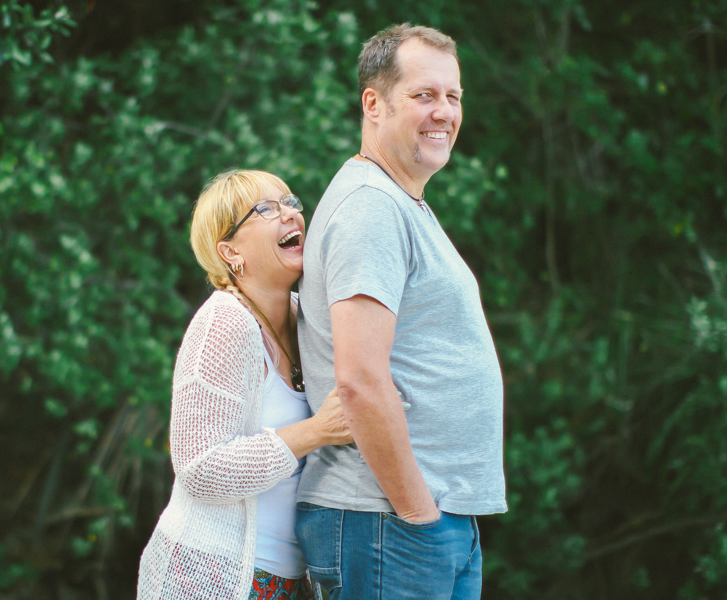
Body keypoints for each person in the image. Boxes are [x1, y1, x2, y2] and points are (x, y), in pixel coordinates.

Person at [295, 24, 507, 600]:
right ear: (374, 103)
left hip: (423, 523)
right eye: (425, 95)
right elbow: (360, 377)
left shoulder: (402, 204)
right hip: (388, 521)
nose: (444, 112)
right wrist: (418, 510)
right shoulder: (371, 209)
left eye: (453, 96)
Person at [137, 169, 352, 600]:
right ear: (230, 251)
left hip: (291, 581)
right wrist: (314, 431)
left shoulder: (305, 316)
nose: (290, 214)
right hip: (212, 575)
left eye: (291, 202)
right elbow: (199, 468)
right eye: (267, 209)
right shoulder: (225, 323)